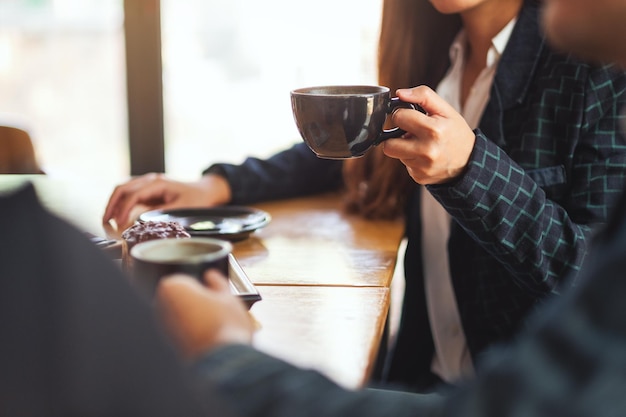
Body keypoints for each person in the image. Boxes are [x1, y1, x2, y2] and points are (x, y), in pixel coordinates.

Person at [103, 0, 626, 392]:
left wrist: (469, 169)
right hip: (420, 378)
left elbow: (588, 272)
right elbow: (343, 148)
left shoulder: (600, 69)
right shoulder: (437, 62)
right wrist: (216, 185)